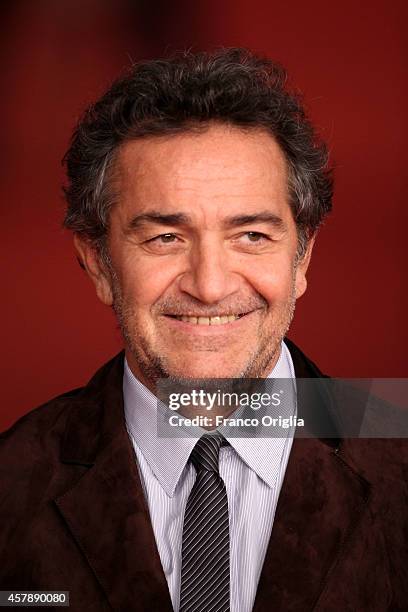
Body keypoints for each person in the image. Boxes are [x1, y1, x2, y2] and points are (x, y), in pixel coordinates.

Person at [0, 48, 406, 612]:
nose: (210, 287)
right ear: (97, 262)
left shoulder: (398, 450)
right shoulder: (10, 484)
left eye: (252, 236)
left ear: (303, 257)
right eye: (165, 237)